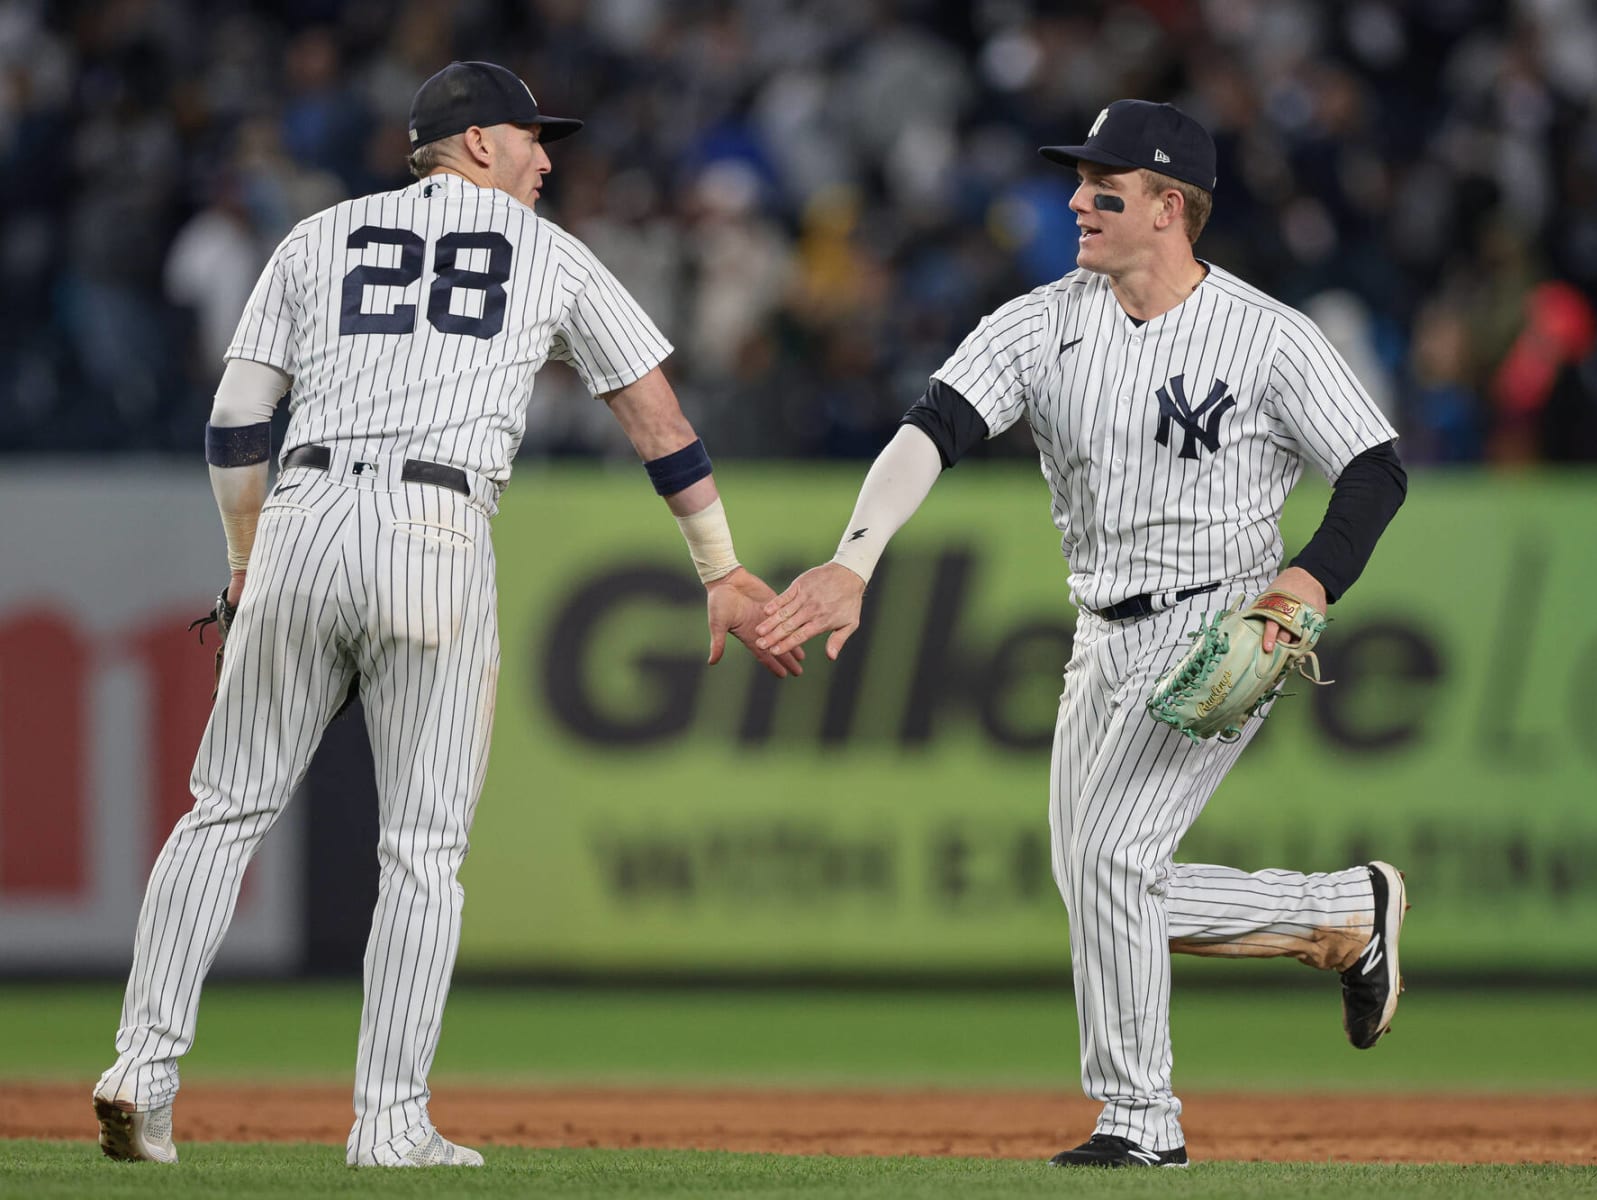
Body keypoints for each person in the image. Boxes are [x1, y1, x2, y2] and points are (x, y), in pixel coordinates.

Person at [92, 60, 802, 1168]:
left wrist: (246, 561)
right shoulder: (552, 253)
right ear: (476, 144)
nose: (546, 158)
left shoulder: (314, 237)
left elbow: (236, 421)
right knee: (420, 849)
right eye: (530, 138)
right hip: (436, 524)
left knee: (222, 809)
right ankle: (389, 1123)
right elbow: (658, 420)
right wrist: (717, 564)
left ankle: (140, 1067)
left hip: (303, 513)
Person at [754, 100, 1409, 1169]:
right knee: (1100, 883)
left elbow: (1375, 470)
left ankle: (1139, 1123)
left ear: (1168, 207)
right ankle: (1340, 911)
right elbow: (932, 430)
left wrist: (1303, 587)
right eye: (1078, 181)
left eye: (1104, 187)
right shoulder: (1040, 321)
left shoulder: (1268, 335)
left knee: (1112, 863)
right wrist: (852, 559)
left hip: (1224, 621)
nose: (1075, 200)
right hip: (1097, 632)